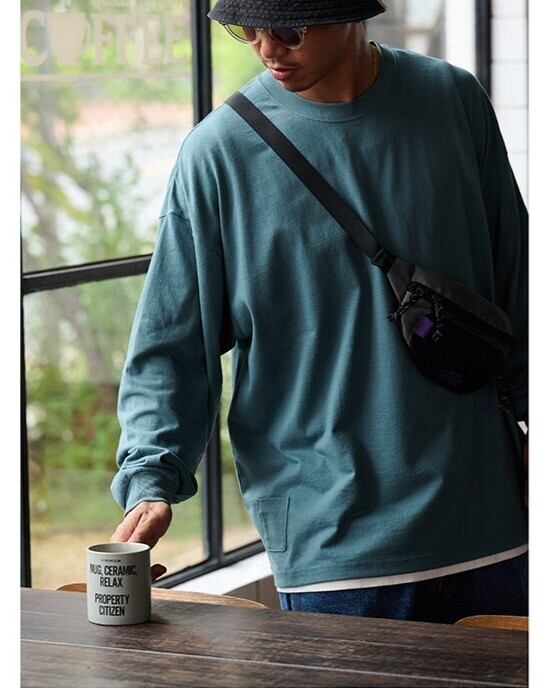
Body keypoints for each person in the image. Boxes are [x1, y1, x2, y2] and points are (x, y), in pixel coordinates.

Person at [110, 0, 528, 622]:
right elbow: (170, 344)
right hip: (334, 548)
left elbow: (520, 282)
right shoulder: (219, 154)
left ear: (351, 13)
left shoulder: (452, 102)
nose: (266, 48)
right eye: (246, 30)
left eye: (288, 29)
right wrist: (151, 477)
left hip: (491, 524)